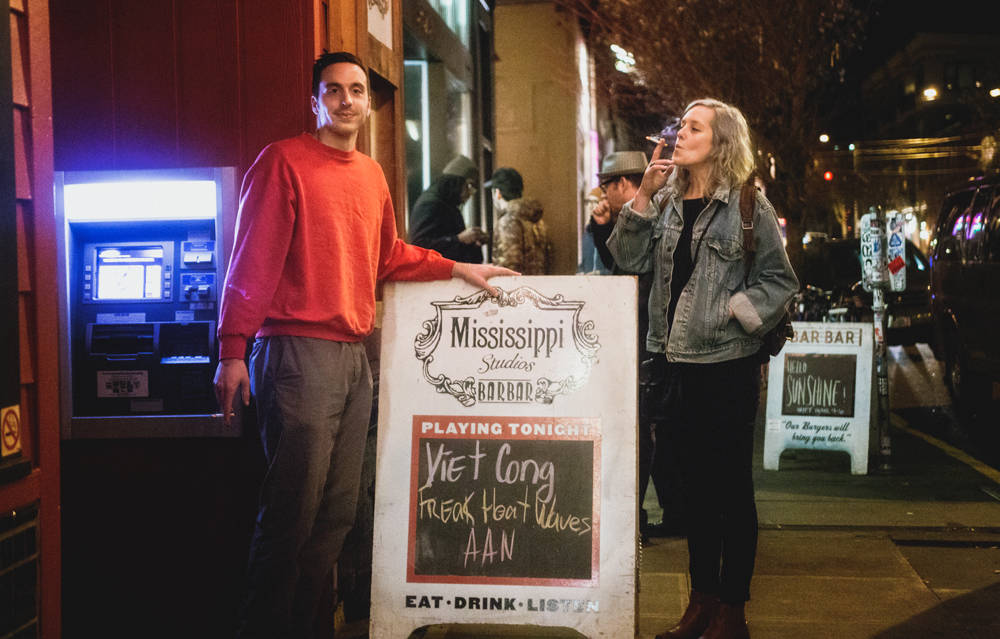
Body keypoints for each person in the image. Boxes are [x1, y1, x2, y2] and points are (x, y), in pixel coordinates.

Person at [213, 51, 515, 639]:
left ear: (368, 105)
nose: (346, 99)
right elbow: (251, 261)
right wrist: (231, 349)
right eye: (333, 90)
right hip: (297, 352)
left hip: (354, 357)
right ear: (315, 101)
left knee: (336, 516)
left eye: (356, 90)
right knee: (291, 517)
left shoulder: (371, 175)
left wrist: (459, 268)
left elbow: (388, 256)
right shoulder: (282, 162)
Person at [608, 99, 797, 639]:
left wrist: (733, 312)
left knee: (731, 490)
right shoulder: (667, 200)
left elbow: (779, 280)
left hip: (727, 366)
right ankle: (701, 602)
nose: (681, 135)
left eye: (695, 128)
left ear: (721, 142)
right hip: (673, 365)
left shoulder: (748, 204)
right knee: (694, 493)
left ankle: (732, 612)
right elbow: (627, 259)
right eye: (682, 126)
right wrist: (643, 194)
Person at [408, 155, 488, 263]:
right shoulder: (430, 203)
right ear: (456, 181)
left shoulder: (448, 204)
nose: (470, 193)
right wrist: (459, 239)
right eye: (469, 186)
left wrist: (474, 242)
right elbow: (419, 246)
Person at [488, 167, 551, 274]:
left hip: (517, 284)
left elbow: (508, 268)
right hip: (538, 282)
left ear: (497, 193)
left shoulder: (508, 222)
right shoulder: (537, 220)